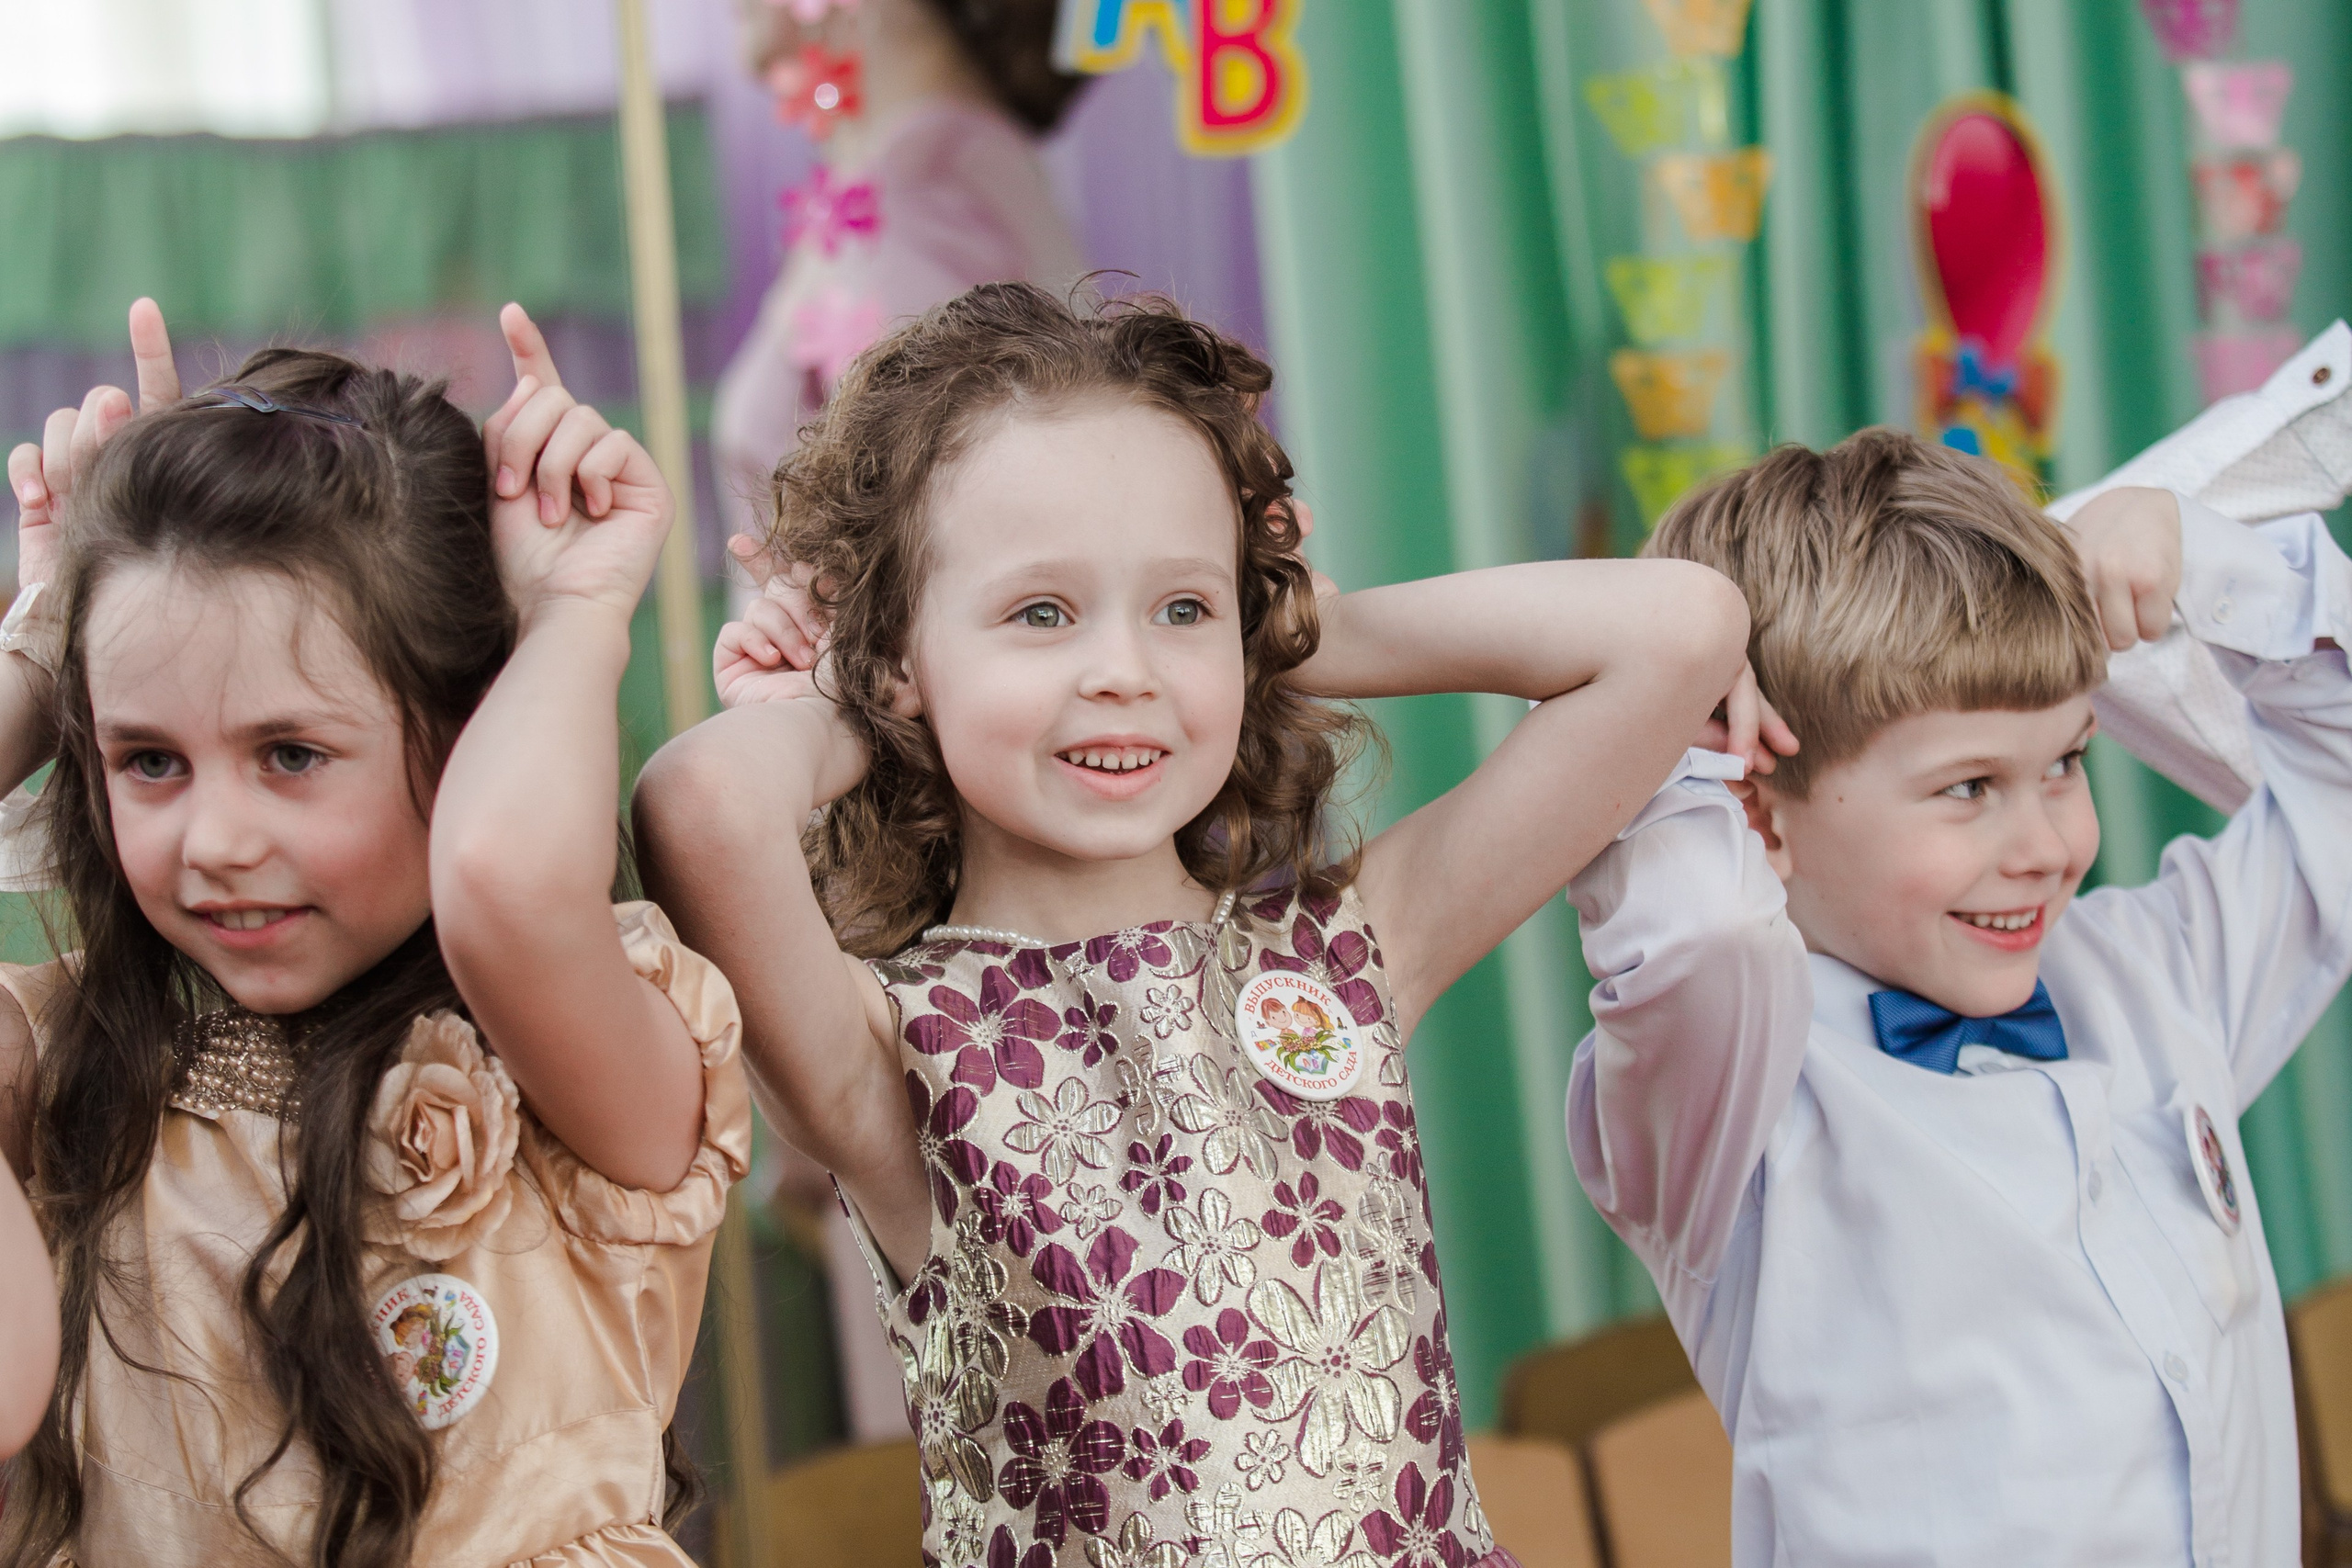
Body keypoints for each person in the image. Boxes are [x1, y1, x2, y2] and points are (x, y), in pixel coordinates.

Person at [634, 280, 1753, 1565]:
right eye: (1042, 613)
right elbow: (699, 808)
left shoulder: (1350, 949)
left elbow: (1684, 628)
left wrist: (1288, 621)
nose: (1127, 670)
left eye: (1181, 608)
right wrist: (855, 697)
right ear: (897, 653)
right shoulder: (898, 1050)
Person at [1566, 328, 2352, 1566]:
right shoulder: (1734, 1085)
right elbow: (1692, 916)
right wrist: (1682, 697)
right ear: (1759, 809)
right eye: (1970, 788)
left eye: (2066, 766)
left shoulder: (2156, 978)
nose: (2048, 843)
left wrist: (2204, 558)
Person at [0, 300, 750, 1567]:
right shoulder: (62, 1060)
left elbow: (505, 881)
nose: (214, 841)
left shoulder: (579, 1050)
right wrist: (50, 637)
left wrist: (571, 615)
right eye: (148, 760)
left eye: (290, 754)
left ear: (471, 732)